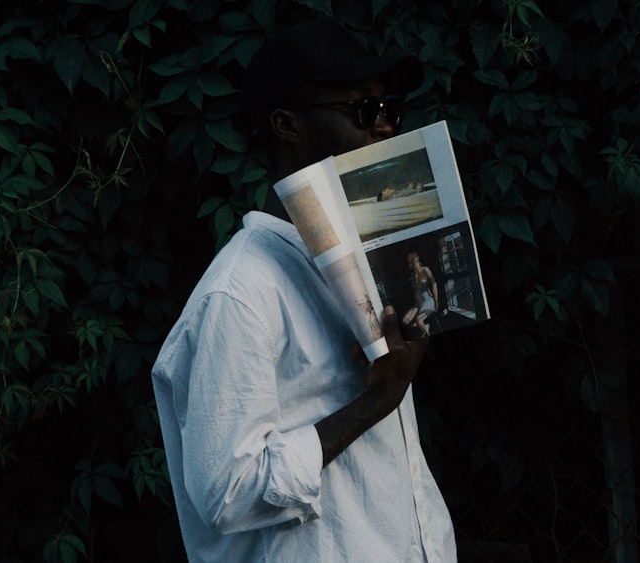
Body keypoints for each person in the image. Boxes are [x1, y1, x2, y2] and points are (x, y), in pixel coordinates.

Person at [151, 16, 457, 562]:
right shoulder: (240, 293)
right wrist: (377, 401)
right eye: (364, 110)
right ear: (287, 125)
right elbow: (225, 494)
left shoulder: (369, 263)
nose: (384, 128)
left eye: (390, 111)